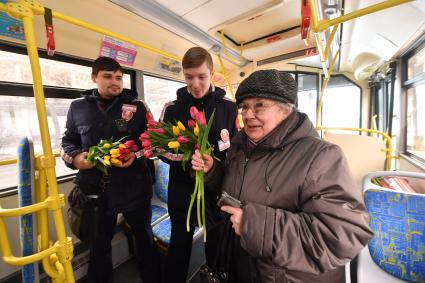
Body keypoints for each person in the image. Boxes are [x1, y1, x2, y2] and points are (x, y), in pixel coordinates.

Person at [192, 69, 374, 283]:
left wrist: (256, 226)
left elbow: (343, 235)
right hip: (240, 266)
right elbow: (235, 188)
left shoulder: (321, 157)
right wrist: (213, 172)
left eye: (259, 105)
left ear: (286, 108)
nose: (248, 115)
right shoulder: (239, 147)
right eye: (244, 107)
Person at [61, 57, 157, 283]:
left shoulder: (138, 107)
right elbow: (68, 141)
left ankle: (152, 277)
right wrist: (75, 159)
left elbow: (153, 143)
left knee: (144, 236)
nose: (115, 82)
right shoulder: (77, 108)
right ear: (94, 77)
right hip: (97, 191)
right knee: (99, 244)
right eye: (107, 76)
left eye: (118, 77)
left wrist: (137, 155)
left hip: (135, 187)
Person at [160, 46, 238, 282]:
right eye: (189, 77)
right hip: (182, 192)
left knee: (215, 246)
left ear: (212, 74)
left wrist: (213, 164)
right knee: (179, 247)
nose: (195, 83)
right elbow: (160, 149)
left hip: (216, 192)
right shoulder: (172, 109)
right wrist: (187, 157)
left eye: (202, 76)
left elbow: (235, 150)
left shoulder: (229, 108)